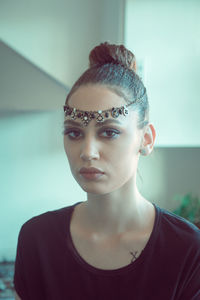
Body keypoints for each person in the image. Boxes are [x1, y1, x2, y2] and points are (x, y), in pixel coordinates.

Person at [14, 42, 200, 300]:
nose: (88, 151)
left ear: (146, 139)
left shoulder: (187, 248)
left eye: (109, 132)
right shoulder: (37, 239)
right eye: (74, 132)